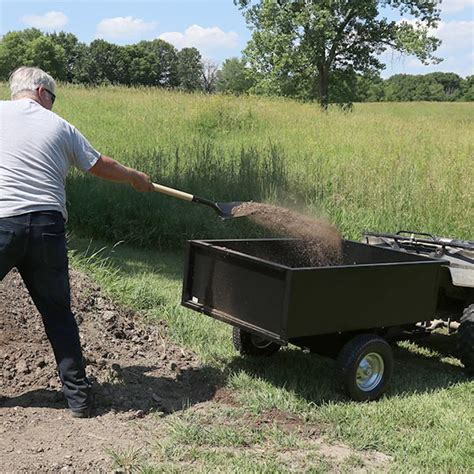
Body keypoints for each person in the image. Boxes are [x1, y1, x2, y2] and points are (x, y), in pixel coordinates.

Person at [0, 66, 154, 418]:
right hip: (47, 229)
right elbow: (100, 165)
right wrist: (135, 178)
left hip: (3, 223)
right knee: (58, 315)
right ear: (41, 91)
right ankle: (79, 401)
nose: (52, 105)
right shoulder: (60, 127)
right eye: (52, 98)